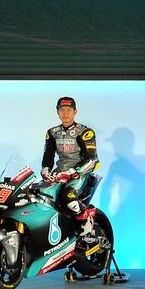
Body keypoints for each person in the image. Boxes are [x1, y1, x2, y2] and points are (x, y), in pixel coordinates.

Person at [40, 96, 99, 236]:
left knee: (68, 196)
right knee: (40, 195)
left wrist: (72, 172)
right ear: (57, 112)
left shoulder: (84, 132)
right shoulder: (52, 132)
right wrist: (45, 170)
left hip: (79, 174)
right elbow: (48, 156)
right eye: (62, 110)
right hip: (59, 173)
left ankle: (86, 220)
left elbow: (93, 160)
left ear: (75, 112)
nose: (65, 113)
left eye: (69, 110)